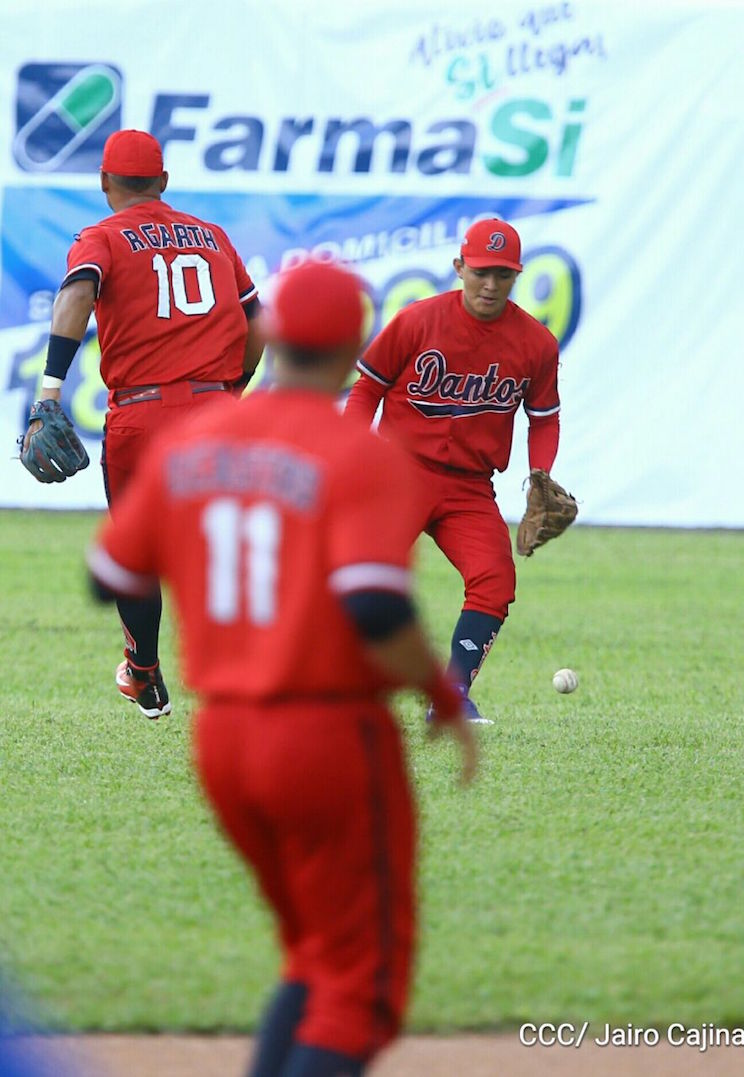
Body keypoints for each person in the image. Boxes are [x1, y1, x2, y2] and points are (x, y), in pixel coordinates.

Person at [85, 259, 476, 1077]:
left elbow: (110, 575)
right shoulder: (356, 453)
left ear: (265, 336)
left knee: (312, 956)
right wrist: (440, 694)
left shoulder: (195, 444)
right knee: (359, 987)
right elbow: (373, 606)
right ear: (353, 348)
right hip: (324, 735)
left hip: (222, 738)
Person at [22, 128, 263, 718]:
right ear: (164, 181)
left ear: (105, 183)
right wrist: (232, 389)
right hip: (217, 411)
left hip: (142, 415)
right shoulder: (211, 237)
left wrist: (49, 389)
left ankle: (146, 674)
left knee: (137, 554)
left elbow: (78, 295)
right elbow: (257, 322)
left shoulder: (101, 236)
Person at [345, 218, 563, 725]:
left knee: (494, 579)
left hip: (469, 486)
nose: (491, 284)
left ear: (517, 275)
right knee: (360, 576)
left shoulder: (535, 343)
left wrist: (540, 477)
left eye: (503, 275)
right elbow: (366, 390)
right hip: (397, 476)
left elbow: (544, 419)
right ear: (459, 267)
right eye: (482, 271)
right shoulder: (417, 321)